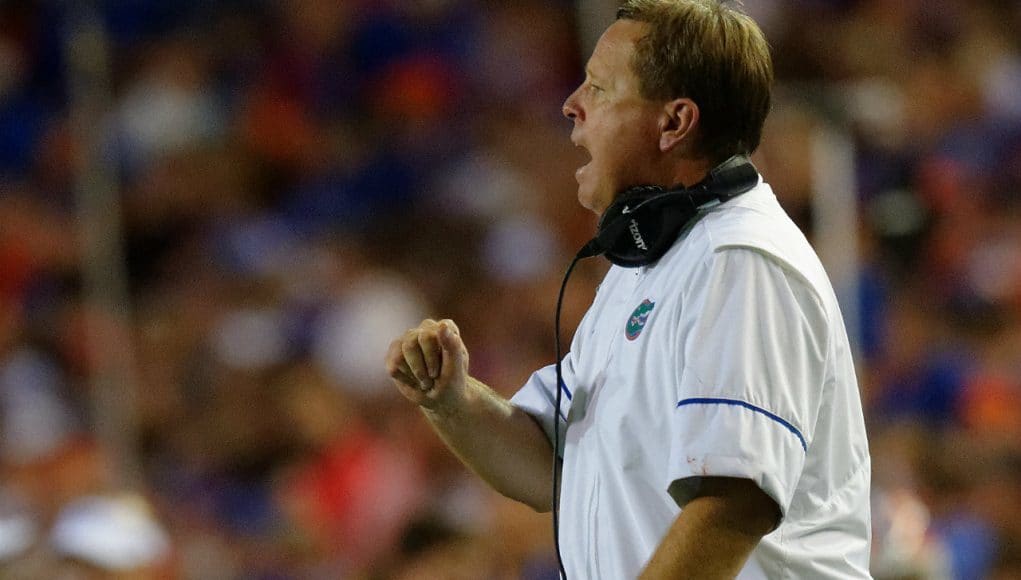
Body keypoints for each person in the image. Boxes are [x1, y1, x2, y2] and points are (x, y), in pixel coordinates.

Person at [385, 1, 871, 578]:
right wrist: (452, 401)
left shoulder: (739, 261)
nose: (572, 105)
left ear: (674, 122)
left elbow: (731, 507)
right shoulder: (649, 264)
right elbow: (552, 467)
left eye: (598, 87)